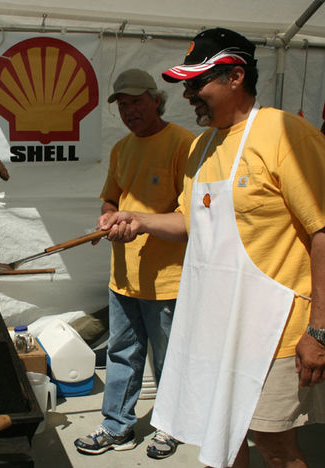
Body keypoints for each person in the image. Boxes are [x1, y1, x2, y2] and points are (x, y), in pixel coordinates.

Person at [106, 28, 325, 468]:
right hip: (214, 327)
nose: (188, 94)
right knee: (222, 438)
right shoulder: (202, 147)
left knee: (273, 444)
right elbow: (191, 222)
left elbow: (321, 231)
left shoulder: (286, 133)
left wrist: (319, 330)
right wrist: (141, 219)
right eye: (186, 84)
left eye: (197, 82)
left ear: (235, 77)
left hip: (275, 330)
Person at [73, 69, 194, 459]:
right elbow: (111, 198)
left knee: (169, 357)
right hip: (123, 276)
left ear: (156, 100)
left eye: (136, 102)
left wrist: (141, 222)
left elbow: (191, 217)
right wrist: (108, 217)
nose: (129, 110)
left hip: (168, 281)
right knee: (121, 353)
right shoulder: (122, 149)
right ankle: (117, 426)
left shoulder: (184, 144)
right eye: (122, 105)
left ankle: (170, 426)